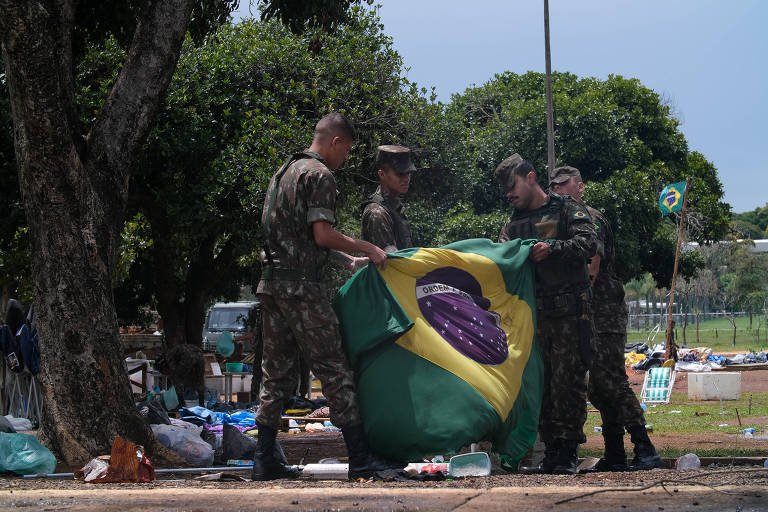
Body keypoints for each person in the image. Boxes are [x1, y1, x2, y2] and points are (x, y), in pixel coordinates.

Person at [253, 112, 399, 481]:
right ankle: (362, 461)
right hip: (302, 290)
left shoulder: (283, 172)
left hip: (271, 286)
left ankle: (263, 460)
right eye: (347, 151)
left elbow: (294, 236)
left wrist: (345, 256)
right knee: (334, 368)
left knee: (275, 374)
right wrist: (367, 246)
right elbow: (321, 233)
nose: (345, 159)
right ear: (336, 142)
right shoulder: (320, 175)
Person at [549, 165, 662, 472]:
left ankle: (645, 447)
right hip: (588, 309)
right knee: (598, 386)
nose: (558, 190)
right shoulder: (561, 220)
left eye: (565, 184)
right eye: (555, 186)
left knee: (609, 379)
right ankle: (615, 452)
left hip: (602, 308)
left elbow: (592, 268)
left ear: (580, 186)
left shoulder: (589, 219)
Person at [494, 154, 597, 475]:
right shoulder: (511, 225)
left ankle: (566, 454)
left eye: (512, 187)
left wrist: (552, 249)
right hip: (532, 320)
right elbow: (501, 259)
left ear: (531, 177)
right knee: (539, 387)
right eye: (504, 191)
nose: (508, 195)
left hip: (569, 316)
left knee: (567, 385)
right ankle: (551, 454)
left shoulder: (567, 209)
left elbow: (588, 242)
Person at [361, 145, 416, 252]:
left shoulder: (394, 205)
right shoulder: (377, 213)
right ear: (382, 174)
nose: (406, 179)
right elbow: (391, 261)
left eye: (408, 173)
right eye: (400, 174)